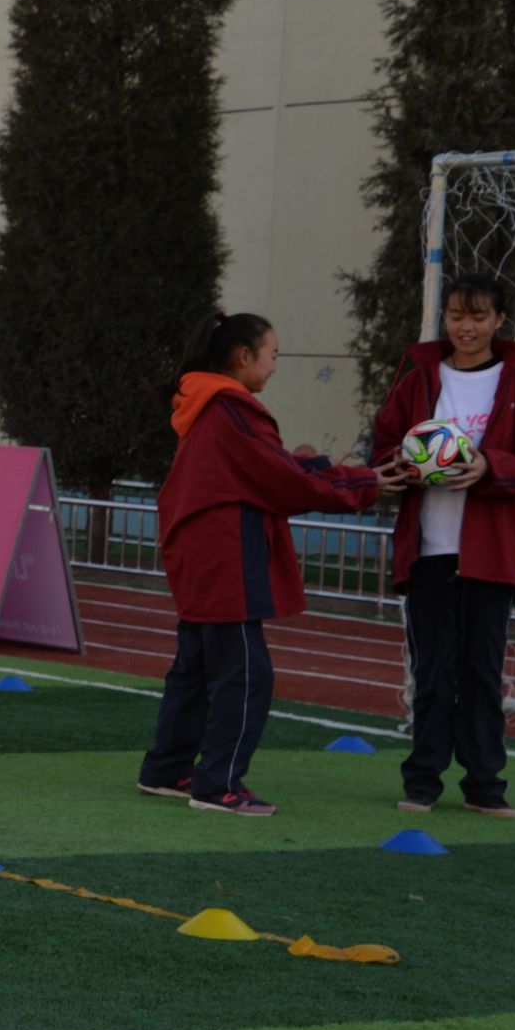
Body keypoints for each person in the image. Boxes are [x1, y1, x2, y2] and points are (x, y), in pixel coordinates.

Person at [138, 311, 391, 817]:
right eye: (272, 355)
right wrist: (366, 484)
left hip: (198, 551)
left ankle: (166, 769)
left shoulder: (204, 403)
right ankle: (218, 785)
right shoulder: (232, 408)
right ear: (244, 356)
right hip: (225, 555)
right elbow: (283, 482)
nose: (275, 366)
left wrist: (328, 469)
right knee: (246, 674)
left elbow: (270, 467)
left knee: (195, 667)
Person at [369, 273, 515, 819]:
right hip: (429, 549)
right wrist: (402, 464)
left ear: (499, 320)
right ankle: (422, 781)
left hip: (491, 552)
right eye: (456, 316)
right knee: (433, 670)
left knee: (481, 672)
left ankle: (484, 786)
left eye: (477, 317)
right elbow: (383, 444)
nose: (465, 327)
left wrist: (488, 467)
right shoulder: (418, 378)